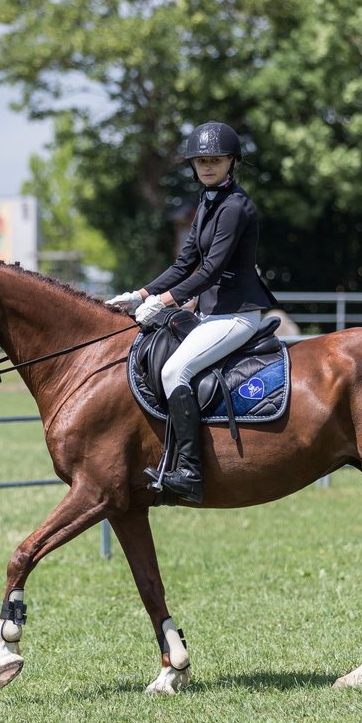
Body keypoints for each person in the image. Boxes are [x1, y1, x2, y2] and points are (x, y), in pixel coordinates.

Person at [105, 121, 275, 504]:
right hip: (213, 315)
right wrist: (141, 294)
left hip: (237, 314)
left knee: (174, 370)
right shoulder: (206, 203)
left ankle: (189, 471)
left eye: (215, 160)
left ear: (232, 162)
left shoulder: (235, 207)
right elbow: (184, 264)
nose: (208, 167)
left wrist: (164, 303)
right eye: (201, 161)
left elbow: (211, 270)